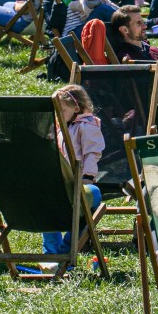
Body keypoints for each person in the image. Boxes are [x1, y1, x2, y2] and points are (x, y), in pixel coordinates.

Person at [43, 85, 103, 260]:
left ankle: (66, 249)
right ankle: (50, 254)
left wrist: (88, 177)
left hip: (79, 181)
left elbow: (92, 153)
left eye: (62, 110)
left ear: (76, 108)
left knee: (91, 196)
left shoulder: (87, 126)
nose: (58, 114)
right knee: (48, 204)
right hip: (59, 182)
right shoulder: (60, 127)